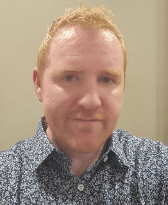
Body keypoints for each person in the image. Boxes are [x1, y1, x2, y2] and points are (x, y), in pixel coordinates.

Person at [0, 3, 168, 205]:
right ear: (39, 84)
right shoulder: (5, 178)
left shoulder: (157, 168)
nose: (90, 102)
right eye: (70, 77)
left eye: (106, 79)